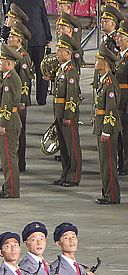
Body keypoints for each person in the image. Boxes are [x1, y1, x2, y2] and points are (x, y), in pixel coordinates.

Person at [51, 34, 82, 187]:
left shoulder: (71, 72)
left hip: (66, 113)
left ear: (68, 53)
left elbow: (72, 96)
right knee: (63, 146)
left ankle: (74, 175)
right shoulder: (61, 69)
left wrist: (69, 115)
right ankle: (65, 173)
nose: (57, 54)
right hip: (59, 112)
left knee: (72, 145)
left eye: (60, 51)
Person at [91, 46, 121, 204]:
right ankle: (107, 193)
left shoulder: (110, 83)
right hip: (101, 126)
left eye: (98, 60)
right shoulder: (103, 80)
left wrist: (107, 131)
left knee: (109, 162)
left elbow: (111, 110)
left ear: (105, 63)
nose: (96, 62)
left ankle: (112, 195)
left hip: (107, 128)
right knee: (104, 163)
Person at [0, 45, 23, 199]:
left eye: (2, 61)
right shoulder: (8, 78)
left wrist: (2, 124)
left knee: (9, 159)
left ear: (10, 63)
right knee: (8, 158)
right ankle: (9, 187)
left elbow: (7, 104)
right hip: (10, 122)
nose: (0, 63)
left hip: (9, 124)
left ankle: (11, 190)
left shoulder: (11, 80)